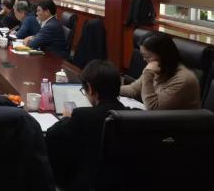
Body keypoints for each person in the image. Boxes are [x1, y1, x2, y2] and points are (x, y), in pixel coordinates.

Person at [46, 60, 126, 190]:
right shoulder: (132, 116)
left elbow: (51, 136)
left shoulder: (82, 116)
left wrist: (65, 119)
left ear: (90, 88)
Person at [120, 32, 200, 109]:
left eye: (147, 56)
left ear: (163, 55)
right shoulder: (159, 68)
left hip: (174, 118)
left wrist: (148, 75)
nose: (144, 59)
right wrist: (113, 90)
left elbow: (153, 108)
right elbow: (134, 90)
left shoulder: (183, 79)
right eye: (143, 55)